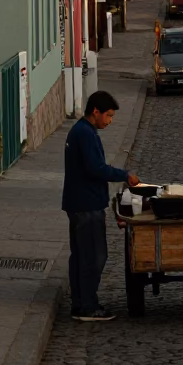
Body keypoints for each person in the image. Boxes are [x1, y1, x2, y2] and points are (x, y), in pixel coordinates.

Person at [62, 90, 140, 322]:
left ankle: (80, 304)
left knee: (79, 256)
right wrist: (125, 175)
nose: (110, 120)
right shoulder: (85, 134)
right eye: (108, 115)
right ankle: (87, 306)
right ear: (95, 111)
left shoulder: (82, 131)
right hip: (86, 205)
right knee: (94, 256)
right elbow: (96, 168)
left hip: (78, 203)